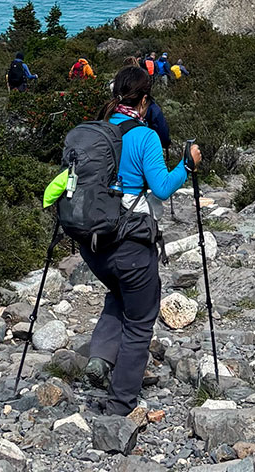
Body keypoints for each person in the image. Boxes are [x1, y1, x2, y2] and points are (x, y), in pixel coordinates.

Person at [79, 65, 199, 415]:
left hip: (93, 243)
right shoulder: (144, 137)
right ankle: (120, 404)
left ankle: (100, 358)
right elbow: (162, 187)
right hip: (130, 242)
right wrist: (188, 165)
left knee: (118, 293)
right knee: (141, 318)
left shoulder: (96, 132)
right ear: (144, 100)